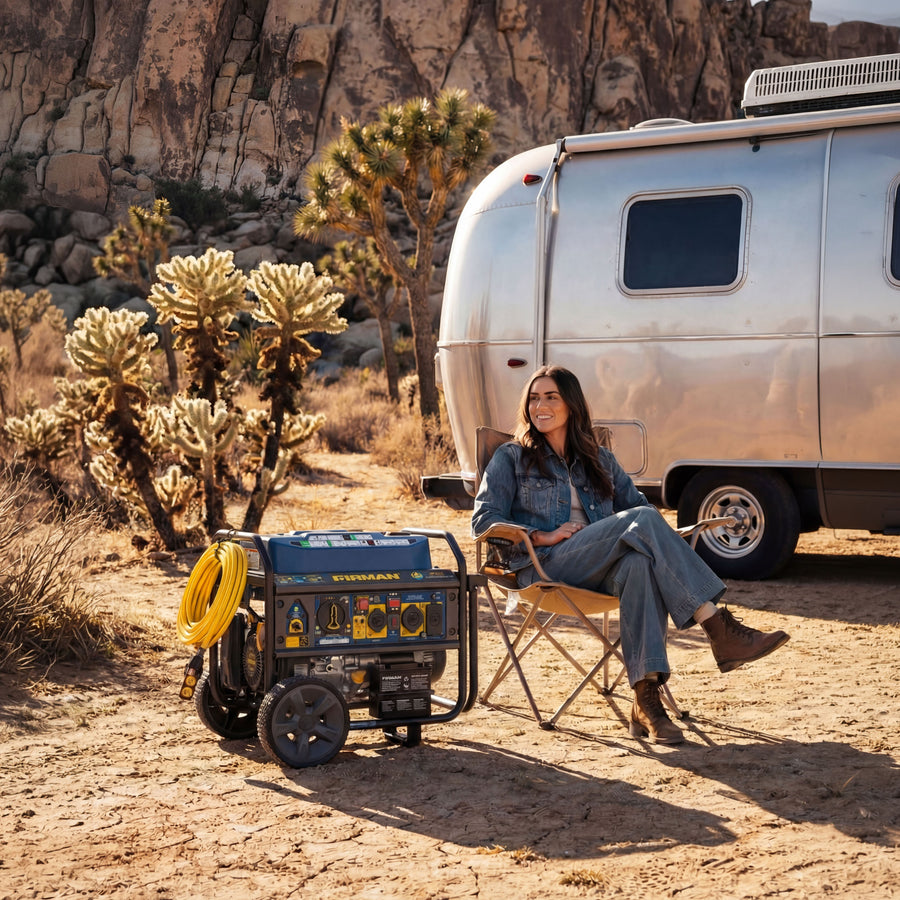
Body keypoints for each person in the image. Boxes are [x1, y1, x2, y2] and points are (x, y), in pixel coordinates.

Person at [472, 364, 789, 745]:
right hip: (546, 566)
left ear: (571, 405)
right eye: (534, 398)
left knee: (639, 563)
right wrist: (543, 536)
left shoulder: (600, 460)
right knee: (640, 520)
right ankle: (716, 626)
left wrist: (667, 540)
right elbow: (484, 520)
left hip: (599, 567)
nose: (540, 405)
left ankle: (646, 700)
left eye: (551, 397)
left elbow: (640, 511)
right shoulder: (512, 457)